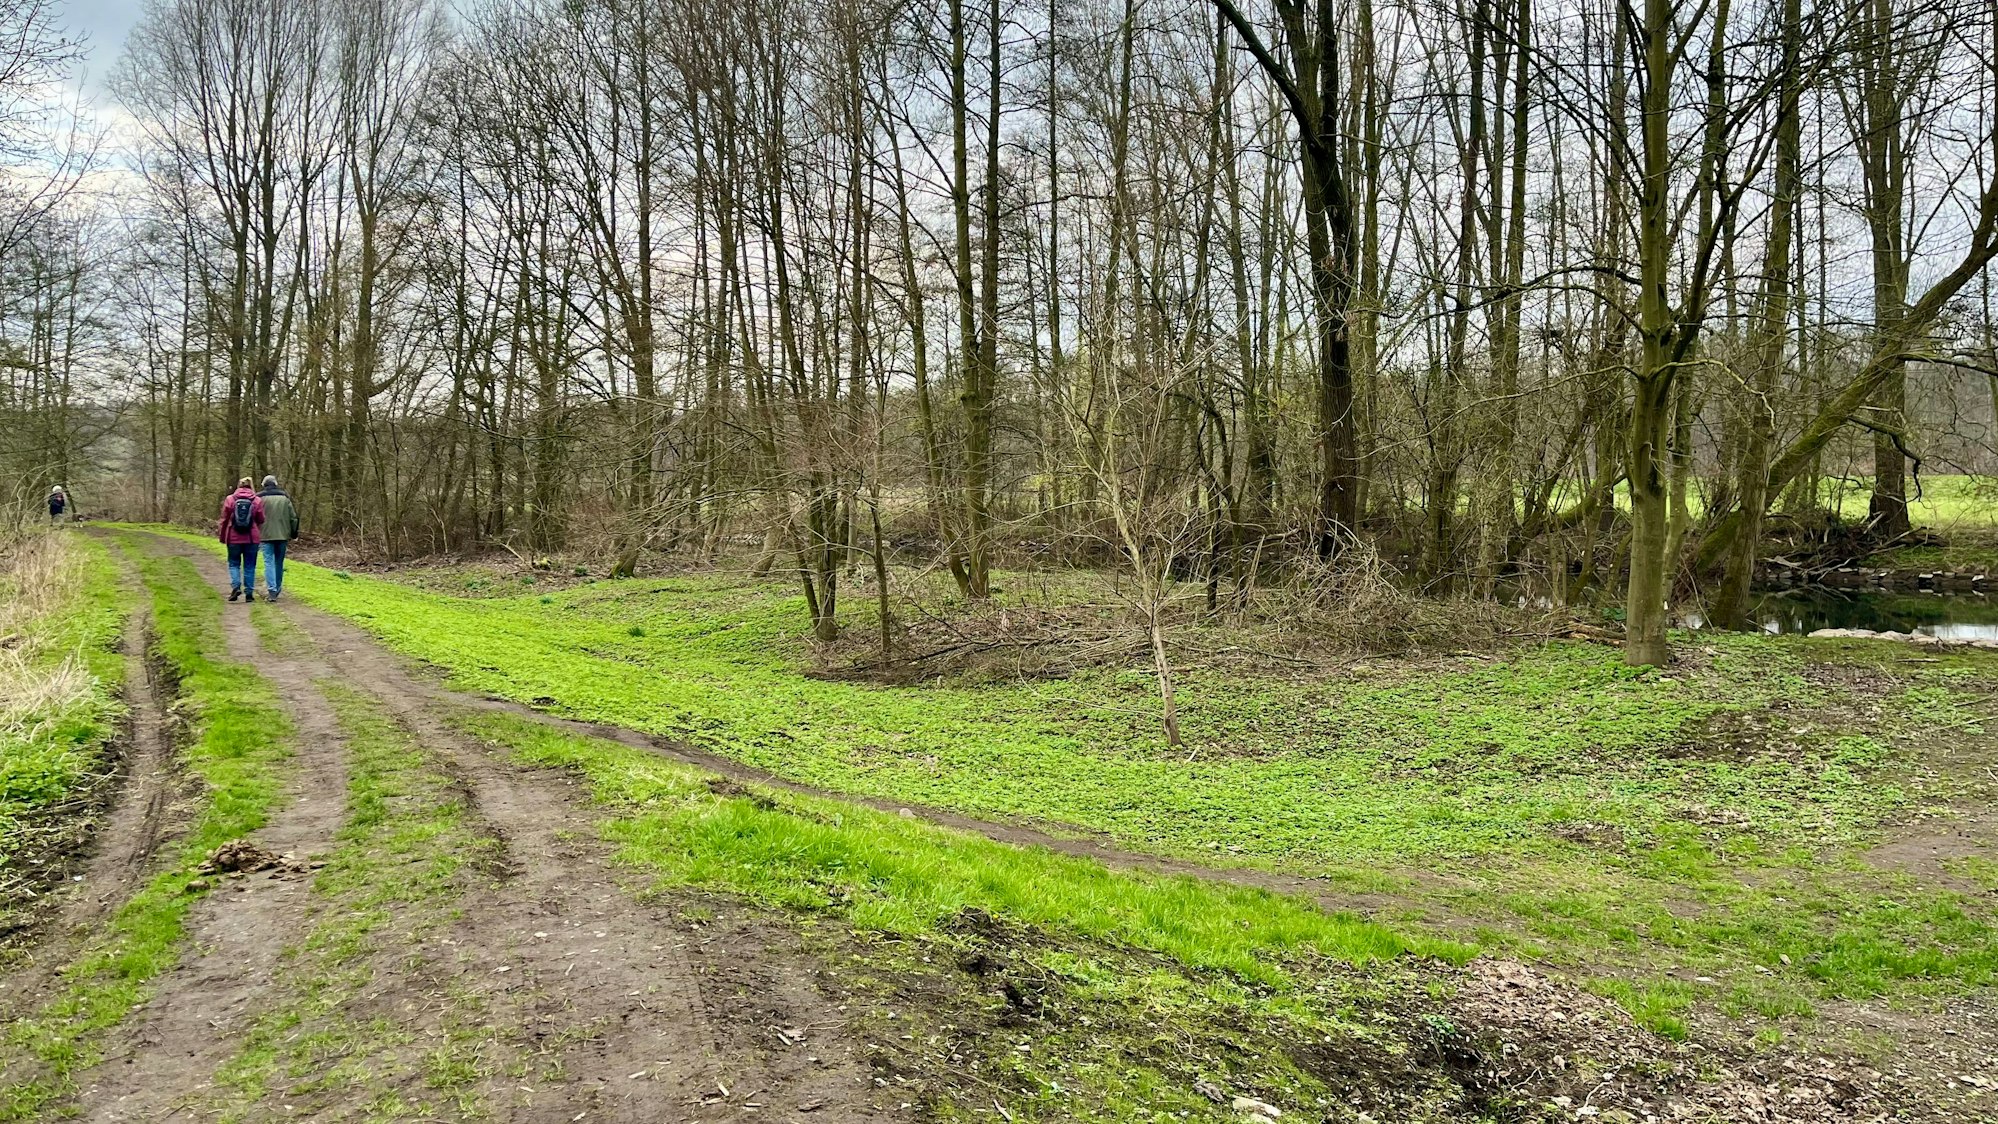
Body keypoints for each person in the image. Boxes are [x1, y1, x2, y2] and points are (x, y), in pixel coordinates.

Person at [217, 477, 265, 602]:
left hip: (233, 538)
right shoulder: (257, 500)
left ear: (238, 485)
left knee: (234, 564)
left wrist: (222, 536)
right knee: (249, 566)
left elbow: (224, 519)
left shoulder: (230, 499)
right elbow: (261, 519)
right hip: (251, 539)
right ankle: (249, 593)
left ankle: (236, 586)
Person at [257, 475, 298, 601]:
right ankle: (278, 588)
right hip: (282, 535)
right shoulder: (285, 499)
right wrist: (294, 533)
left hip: (265, 535)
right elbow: (293, 518)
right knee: (279, 563)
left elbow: (255, 517)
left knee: (268, 562)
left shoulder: (259, 499)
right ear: (275, 484)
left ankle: (272, 590)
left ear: (264, 485)